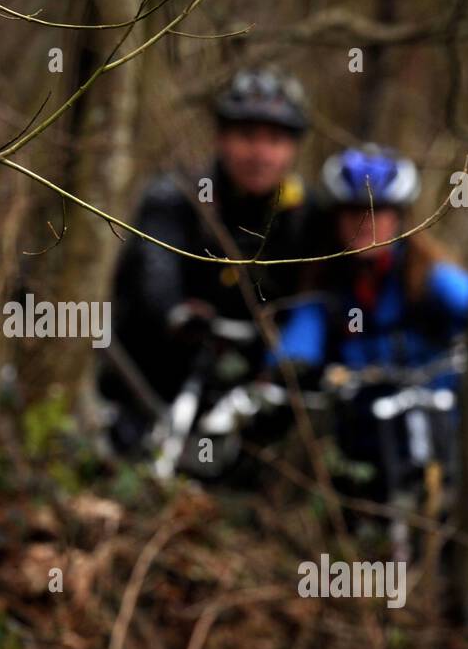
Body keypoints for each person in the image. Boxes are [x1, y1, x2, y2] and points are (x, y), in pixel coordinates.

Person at [100, 68, 323, 451]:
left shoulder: (305, 214)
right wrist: (175, 313)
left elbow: (321, 293)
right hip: (157, 366)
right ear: (222, 138)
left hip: (253, 375)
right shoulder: (177, 196)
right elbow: (155, 266)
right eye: (247, 136)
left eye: (275, 139)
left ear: (293, 148)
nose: (261, 153)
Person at [271, 144, 468, 380]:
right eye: (353, 210)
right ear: (335, 218)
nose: (365, 222)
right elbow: (302, 332)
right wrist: (289, 370)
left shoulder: (427, 274)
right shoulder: (326, 282)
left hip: (441, 416)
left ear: (399, 218)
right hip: (357, 421)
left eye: (379, 210)